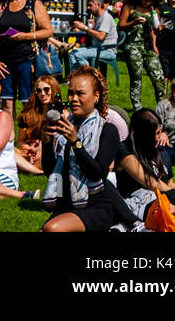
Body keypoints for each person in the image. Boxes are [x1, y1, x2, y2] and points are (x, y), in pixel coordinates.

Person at [40, 66, 127, 232]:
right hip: (65, 205)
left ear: (96, 96)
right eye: (71, 93)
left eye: (80, 93)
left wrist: (75, 142)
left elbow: (97, 173)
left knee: (52, 229)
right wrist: (45, 141)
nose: (73, 98)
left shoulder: (107, 130)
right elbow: (50, 171)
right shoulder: (65, 126)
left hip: (95, 206)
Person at [0, 0, 52, 112]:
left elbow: (48, 31)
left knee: (27, 103)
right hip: (4, 63)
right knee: (6, 104)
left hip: (26, 61)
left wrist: (24, 36)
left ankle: (28, 134)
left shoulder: (33, 5)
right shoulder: (2, 6)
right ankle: (9, 135)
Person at [114, 108, 175, 221]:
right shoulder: (125, 151)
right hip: (137, 205)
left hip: (161, 202)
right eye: (152, 135)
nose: (158, 138)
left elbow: (169, 185)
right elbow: (151, 183)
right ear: (140, 135)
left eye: (159, 132)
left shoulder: (162, 152)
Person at [121, 0, 166, 110]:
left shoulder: (155, 9)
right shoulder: (130, 6)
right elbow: (121, 25)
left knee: (158, 78)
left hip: (149, 47)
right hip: (133, 46)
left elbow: (155, 31)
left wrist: (158, 33)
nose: (148, 2)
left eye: (151, 0)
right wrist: (132, 23)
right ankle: (138, 109)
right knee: (136, 78)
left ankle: (162, 108)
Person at [15, 74, 62, 175]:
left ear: (54, 90)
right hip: (31, 154)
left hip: (50, 154)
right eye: (39, 91)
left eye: (46, 89)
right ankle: (37, 171)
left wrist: (42, 149)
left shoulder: (62, 114)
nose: (42, 93)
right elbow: (21, 140)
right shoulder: (28, 114)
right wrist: (27, 148)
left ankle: (28, 168)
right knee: (8, 150)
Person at [65, 0, 115, 68]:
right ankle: (76, 77)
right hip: (96, 48)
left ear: (98, 5)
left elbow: (101, 36)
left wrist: (85, 28)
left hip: (106, 50)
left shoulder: (106, 17)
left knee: (78, 54)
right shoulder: (98, 18)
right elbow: (94, 34)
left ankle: (89, 75)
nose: (88, 8)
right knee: (72, 52)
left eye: (90, 5)